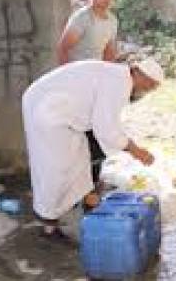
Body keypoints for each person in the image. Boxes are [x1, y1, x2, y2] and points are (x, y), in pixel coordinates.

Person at [22, 58, 164, 239]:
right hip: (47, 110)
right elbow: (106, 128)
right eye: (150, 86)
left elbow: (104, 123)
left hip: (55, 108)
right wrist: (136, 151)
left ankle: (83, 205)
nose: (146, 92)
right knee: (57, 169)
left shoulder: (118, 76)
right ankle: (47, 223)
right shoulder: (119, 83)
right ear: (141, 75)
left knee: (80, 161)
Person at [55, 0, 119, 189]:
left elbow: (109, 52)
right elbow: (63, 48)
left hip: (97, 84)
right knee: (79, 135)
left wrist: (110, 82)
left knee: (99, 130)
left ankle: (94, 180)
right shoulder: (82, 18)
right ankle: (76, 184)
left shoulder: (112, 20)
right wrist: (67, 81)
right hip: (77, 84)